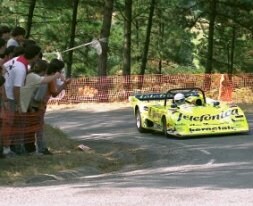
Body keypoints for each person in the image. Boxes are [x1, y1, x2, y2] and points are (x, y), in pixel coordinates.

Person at [1, 44, 41, 156]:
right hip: (10, 98)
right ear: (35, 56)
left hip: (5, 94)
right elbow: (16, 88)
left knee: (7, 124)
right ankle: (6, 149)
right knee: (9, 124)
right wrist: (19, 104)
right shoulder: (21, 69)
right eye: (38, 56)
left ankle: (7, 148)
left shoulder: (15, 60)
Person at [31, 58, 71, 155]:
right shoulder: (51, 79)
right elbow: (54, 93)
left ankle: (32, 147)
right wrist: (64, 85)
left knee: (32, 126)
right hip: (40, 106)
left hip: (32, 104)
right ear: (56, 70)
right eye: (60, 70)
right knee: (39, 127)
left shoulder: (42, 75)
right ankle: (41, 148)